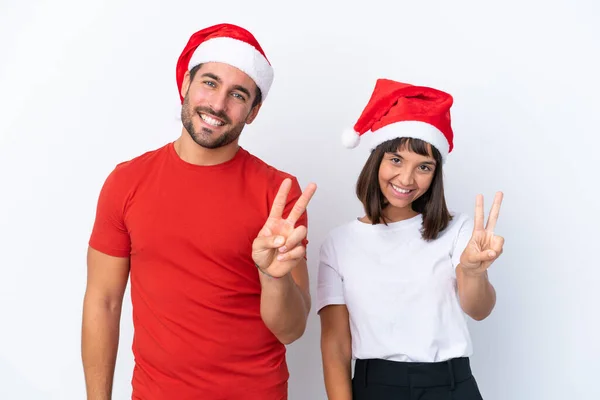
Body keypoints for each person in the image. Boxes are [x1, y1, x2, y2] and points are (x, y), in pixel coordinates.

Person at [81, 23, 316, 400]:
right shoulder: (126, 182)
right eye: (209, 83)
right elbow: (103, 301)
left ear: (253, 111)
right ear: (186, 83)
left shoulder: (280, 196)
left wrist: (272, 278)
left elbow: (290, 330)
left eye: (238, 94)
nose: (218, 105)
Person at [317, 78, 504, 399]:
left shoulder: (457, 229)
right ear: (377, 159)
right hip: (375, 387)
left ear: (435, 175)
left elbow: (479, 309)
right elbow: (335, 344)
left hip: (451, 386)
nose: (406, 178)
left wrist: (474, 272)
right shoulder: (339, 243)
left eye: (424, 167)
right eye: (396, 160)